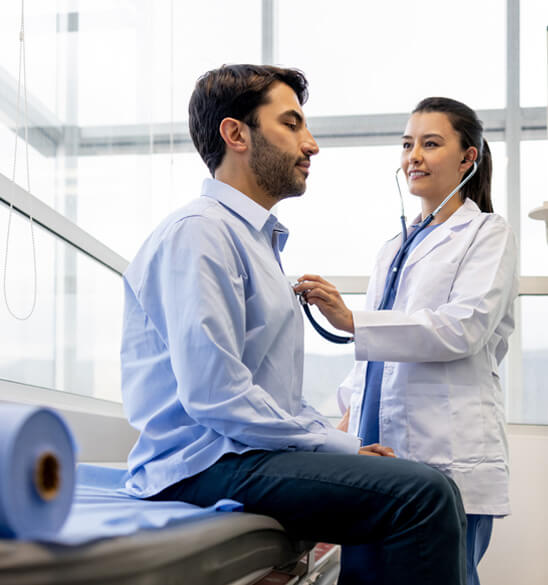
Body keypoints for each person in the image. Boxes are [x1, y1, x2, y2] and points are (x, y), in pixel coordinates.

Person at [120, 67, 467, 585]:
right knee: (422, 495)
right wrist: (338, 446)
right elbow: (217, 396)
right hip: (201, 464)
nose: (312, 145)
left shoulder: (257, 243)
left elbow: (275, 397)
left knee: (427, 487)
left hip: (239, 452)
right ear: (236, 134)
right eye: (292, 124)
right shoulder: (200, 234)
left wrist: (335, 440)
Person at [295, 97, 518, 585]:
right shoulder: (392, 248)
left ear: (468, 157)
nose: (413, 155)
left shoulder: (486, 233)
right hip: (379, 453)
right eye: (407, 144)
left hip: (448, 452)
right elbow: (373, 362)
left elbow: (464, 327)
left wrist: (353, 319)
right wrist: (342, 431)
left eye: (430, 144)